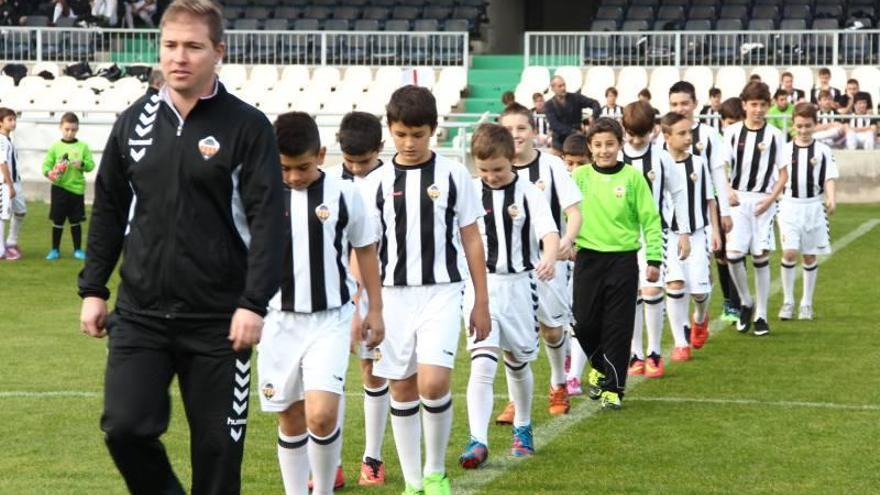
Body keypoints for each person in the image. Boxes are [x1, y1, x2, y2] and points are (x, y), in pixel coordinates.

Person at [78, 2, 286, 494]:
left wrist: (253, 303)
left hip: (220, 323)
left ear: (218, 52)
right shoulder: (133, 122)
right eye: (170, 45)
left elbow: (268, 224)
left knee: (217, 458)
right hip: (140, 314)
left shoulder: (247, 127)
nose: (180, 57)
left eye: (193, 46)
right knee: (125, 429)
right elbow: (108, 207)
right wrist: (93, 288)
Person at [361, 85, 490, 495]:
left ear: (433, 130)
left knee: (432, 384)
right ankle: (413, 482)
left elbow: (471, 238)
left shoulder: (454, 174)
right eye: (401, 134)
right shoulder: (375, 184)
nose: (409, 143)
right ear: (390, 132)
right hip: (391, 297)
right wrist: (363, 303)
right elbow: (365, 249)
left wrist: (481, 301)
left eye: (417, 134)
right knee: (400, 386)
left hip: (442, 292)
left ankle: (435, 471)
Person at [259, 112, 383, 495]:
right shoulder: (259, 193)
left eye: (303, 167)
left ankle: (324, 489)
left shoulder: (345, 195)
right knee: (291, 419)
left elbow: (365, 250)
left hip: (330, 318)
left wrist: (374, 309)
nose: (294, 176)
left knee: (322, 416)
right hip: (277, 321)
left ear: (321, 154)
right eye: (285, 168)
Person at [459, 123, 560, 468]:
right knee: (483, 362)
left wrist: (548, 256)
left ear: (512, 159)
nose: (491, 176)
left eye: (498, 169)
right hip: (480, 286)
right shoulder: (470, 191)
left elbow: (549, 232)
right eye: (484, 170)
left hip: (520, 287)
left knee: (517, 363)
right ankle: (478, 440)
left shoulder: (530, 192)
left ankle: (523, 427)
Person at [495, 103, 582, 422]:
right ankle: (516, 400)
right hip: (510, 268)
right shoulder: (495, 168)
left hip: (548, 264)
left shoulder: (552, 166)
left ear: (533, 131)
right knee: (512, 335)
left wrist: (566, 241)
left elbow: (574, 211)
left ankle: (558, 382)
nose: (515, 135)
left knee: (551, 330)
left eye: (521, 128)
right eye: (508, 129)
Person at [570, 117, 663, 410]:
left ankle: (613, 387)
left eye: (610, 144)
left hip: (623, 260)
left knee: (618, 325)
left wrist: (654, 257)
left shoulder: (633, 178)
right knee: (583, 322)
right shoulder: (580, 177)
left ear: (619, 145)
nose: (604, 150)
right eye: (597, 145)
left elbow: (650, 218)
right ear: (589, 147)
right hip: (587, 258)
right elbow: (566, 213)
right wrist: (564, 241)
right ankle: (599, 366)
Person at [327, 111, 389, 487]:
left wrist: (364, 301)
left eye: (363, 161)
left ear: (380, 149)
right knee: (329, 375)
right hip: (333, 294)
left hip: (381, 290)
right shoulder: (329, 179)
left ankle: (373, 458)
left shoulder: (390, 178)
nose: (356, 168)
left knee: (373, 371)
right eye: (350, 161)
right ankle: (330, 462)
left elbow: (369, 245)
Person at [620, 102, 691, 379]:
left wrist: (683, 232)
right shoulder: (617, 158)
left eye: (643, 134)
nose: (637, 140)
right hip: (622, 236)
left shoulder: (661, 158)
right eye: (632, 134)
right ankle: (635, 352)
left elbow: (678, 193)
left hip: (654, 233)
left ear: (654, 130)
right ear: (625, 130)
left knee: (651, 289)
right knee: (631, 294)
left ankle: (654, 352)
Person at [667, 81, 734, 334]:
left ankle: (700, 314)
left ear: (695, 104)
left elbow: (718, 175)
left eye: (685, 103)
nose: (680, 108)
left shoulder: (708, 135)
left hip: (703, 215)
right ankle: (682, 330)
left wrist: (724, 212)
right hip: (671, 220)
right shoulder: (664, 138)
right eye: (674, 104)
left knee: (699, 282)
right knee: (675, 278)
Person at [722, 81, 788, 336]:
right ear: (744, 106)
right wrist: (728, 191)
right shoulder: (732, 133)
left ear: (768, 106)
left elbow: (783, 174)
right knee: (734, 254)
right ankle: (745, 301)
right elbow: (722, 167)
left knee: (760, 256)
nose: (758, 110)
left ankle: (761, 314)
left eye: (762, 105)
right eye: (753, 105)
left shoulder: (775, 135)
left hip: (763, 200)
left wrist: (771, 199)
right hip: (738, 199)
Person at [659, 112, 720, 363]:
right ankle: (680, 343)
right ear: (666, 136)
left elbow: (709, 198)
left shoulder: (698, 163)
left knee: (698, 291)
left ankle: (699, 317)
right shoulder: (657, 162)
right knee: (674, 284)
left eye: (689, 133)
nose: (688, 138)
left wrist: (715, 231)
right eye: (681, 133)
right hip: (667, 235)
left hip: (697, 234)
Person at [778, 103, 838, 322]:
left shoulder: (823, 150)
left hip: (813, 206)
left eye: (808, 126)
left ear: (815, 125)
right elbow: (780, 177)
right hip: (789, 206)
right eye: (799, 126)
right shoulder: (785, 149)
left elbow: (829, 177)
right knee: (790, 252)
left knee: (810, 255)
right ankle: (787, 301)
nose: (803, 131)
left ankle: (806, 303)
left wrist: (831, 197)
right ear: (793, 125)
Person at [42, 112, 95, 260]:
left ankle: (78, 250)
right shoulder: (55, 147)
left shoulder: (83, 147)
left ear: (77, 129)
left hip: (76, 190)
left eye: (73, 129)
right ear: (61, 127)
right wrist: (49, 173)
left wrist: (82, 164)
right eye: (67, 129)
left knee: (75, 221)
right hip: (59, 189)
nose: (70, 132)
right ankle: (54, 250)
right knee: (58, 220)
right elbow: (46, 166)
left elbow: (91, 165)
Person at [543, 75, 600, 152]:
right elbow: (554, 125)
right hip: (559, 144)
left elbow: (595, 103)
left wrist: (593, 117)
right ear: (553, 88)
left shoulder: (576, 98)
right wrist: (574, 132)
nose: (563, 88)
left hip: (577, 141)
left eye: (564, 85)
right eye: (560, 86)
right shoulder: (549, 105)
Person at [0, 107, 25, 261]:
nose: (13, 122)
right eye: (9, 119)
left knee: (21, 211)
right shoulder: (1, 141)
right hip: (5, 183)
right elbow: (2, 164)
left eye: (14, 119)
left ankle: (11, 241)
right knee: (2, 215)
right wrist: (9, 185)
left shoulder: (9, 140)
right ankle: (1, 249)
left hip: (15, 182)